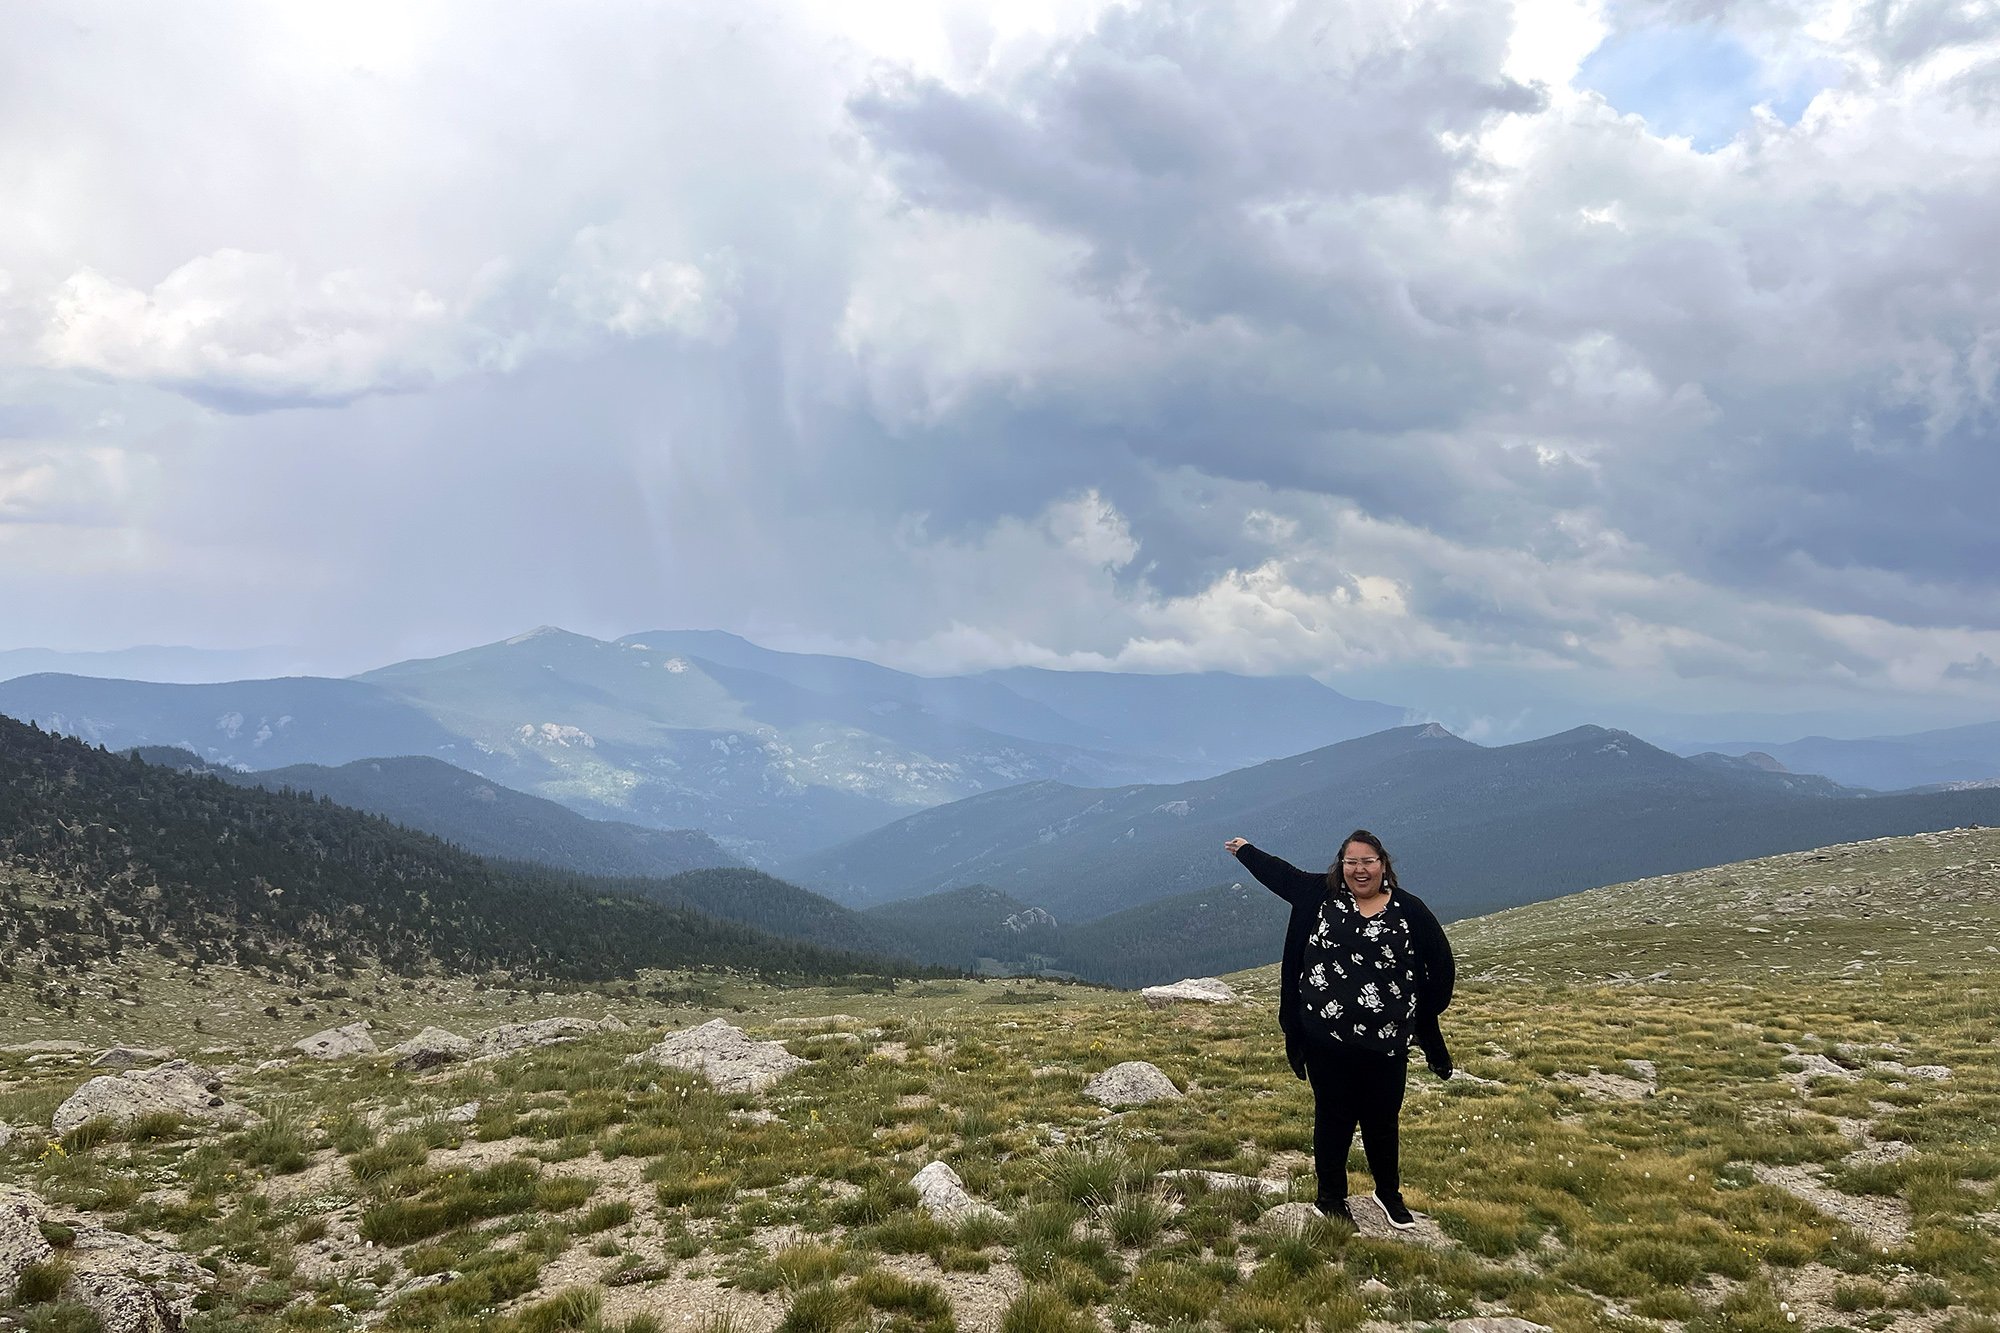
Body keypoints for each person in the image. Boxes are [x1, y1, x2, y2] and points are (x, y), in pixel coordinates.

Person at [1224, 829, 1454, 1230]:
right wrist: (1246, 851)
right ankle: (1330, 1198)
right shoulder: (1320, 895)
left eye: (1368, 861)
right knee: (1333, 1118)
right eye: (1352, 862)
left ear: (1384, 865)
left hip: (1386, 1043)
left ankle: (1388, 1196)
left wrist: (1417, 1015)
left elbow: (1442, 966)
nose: (1359, 869)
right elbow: (1281, 874)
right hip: (1325, 1039)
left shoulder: (1409, 910)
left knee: (1383, 1120)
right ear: (1340, 865)